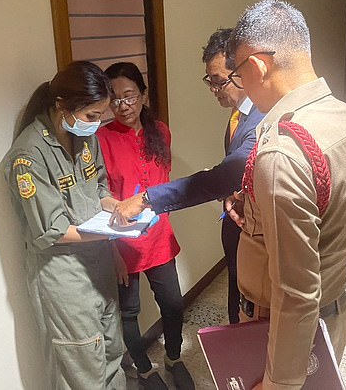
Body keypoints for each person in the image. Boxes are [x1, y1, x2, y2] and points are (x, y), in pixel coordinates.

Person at [224, 0, 346, 390]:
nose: (242, 88)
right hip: (333, 311)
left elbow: (295, 292)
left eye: (239, 75)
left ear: (258, 65)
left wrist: (280, 382)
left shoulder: (282, 151)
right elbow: (328, 212)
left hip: (282, 335)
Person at [110, 29, 265, 324]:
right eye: (210, 80)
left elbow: (230, 172)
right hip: (236, 228)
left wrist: (146, 199)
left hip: (253, 236)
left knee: (250, 318)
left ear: (246, 72)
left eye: (218, 80)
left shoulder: (262, 118)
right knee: (238, 307)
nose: (213, 88)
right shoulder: (239, 114)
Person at [3, 61, 126, 390]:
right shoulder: (28, 156)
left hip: (98, 263)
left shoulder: (85, 139)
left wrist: (120, 208)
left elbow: (99, 189)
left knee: (113, 351)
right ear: (62, 106)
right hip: (64, 276)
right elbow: (53, 230)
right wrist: (111, 232)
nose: (97, 124)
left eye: (100, 115)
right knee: (82, 368)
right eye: (91, 116)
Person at [96, 62, 194, 390]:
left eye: (130, 96)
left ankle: (174, 358)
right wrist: (114, 252)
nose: (123, 106)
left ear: (143, 94)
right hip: (122, 242)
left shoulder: (161, 131)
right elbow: (101, 195)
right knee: (128, 313)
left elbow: (162, 186)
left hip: (159, 238)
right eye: (115, 99)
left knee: (173, 304)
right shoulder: (101, 138)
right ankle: (143, 368)